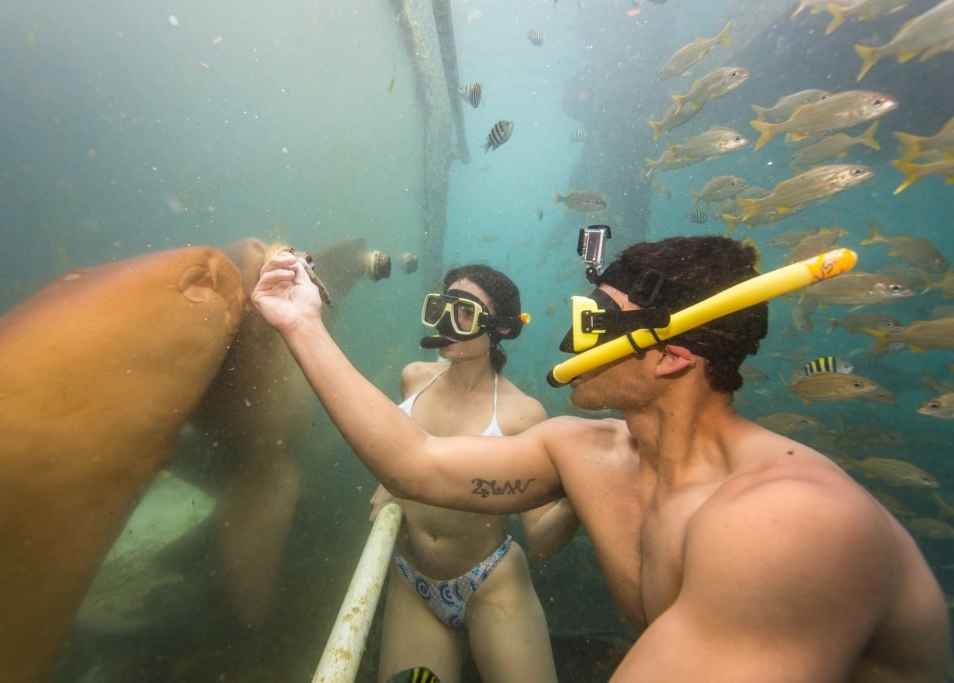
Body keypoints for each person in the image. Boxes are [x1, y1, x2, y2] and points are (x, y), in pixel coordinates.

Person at [252, 235, 950, 682]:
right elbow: (415, 463)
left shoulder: (787, 524)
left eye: (594, 324)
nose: (570, 340)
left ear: (671, 354)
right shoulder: (585, 450)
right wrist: (301, 322)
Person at [369, 264, 578, 683]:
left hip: (493, 584)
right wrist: (387, 485)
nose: (448, 321)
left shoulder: (522, 415)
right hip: (411, 578)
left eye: (464, 312)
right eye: (442, 307)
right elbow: (402, 451)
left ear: (499, 329)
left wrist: (582, 491)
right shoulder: (414, 379)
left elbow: (539, 538)